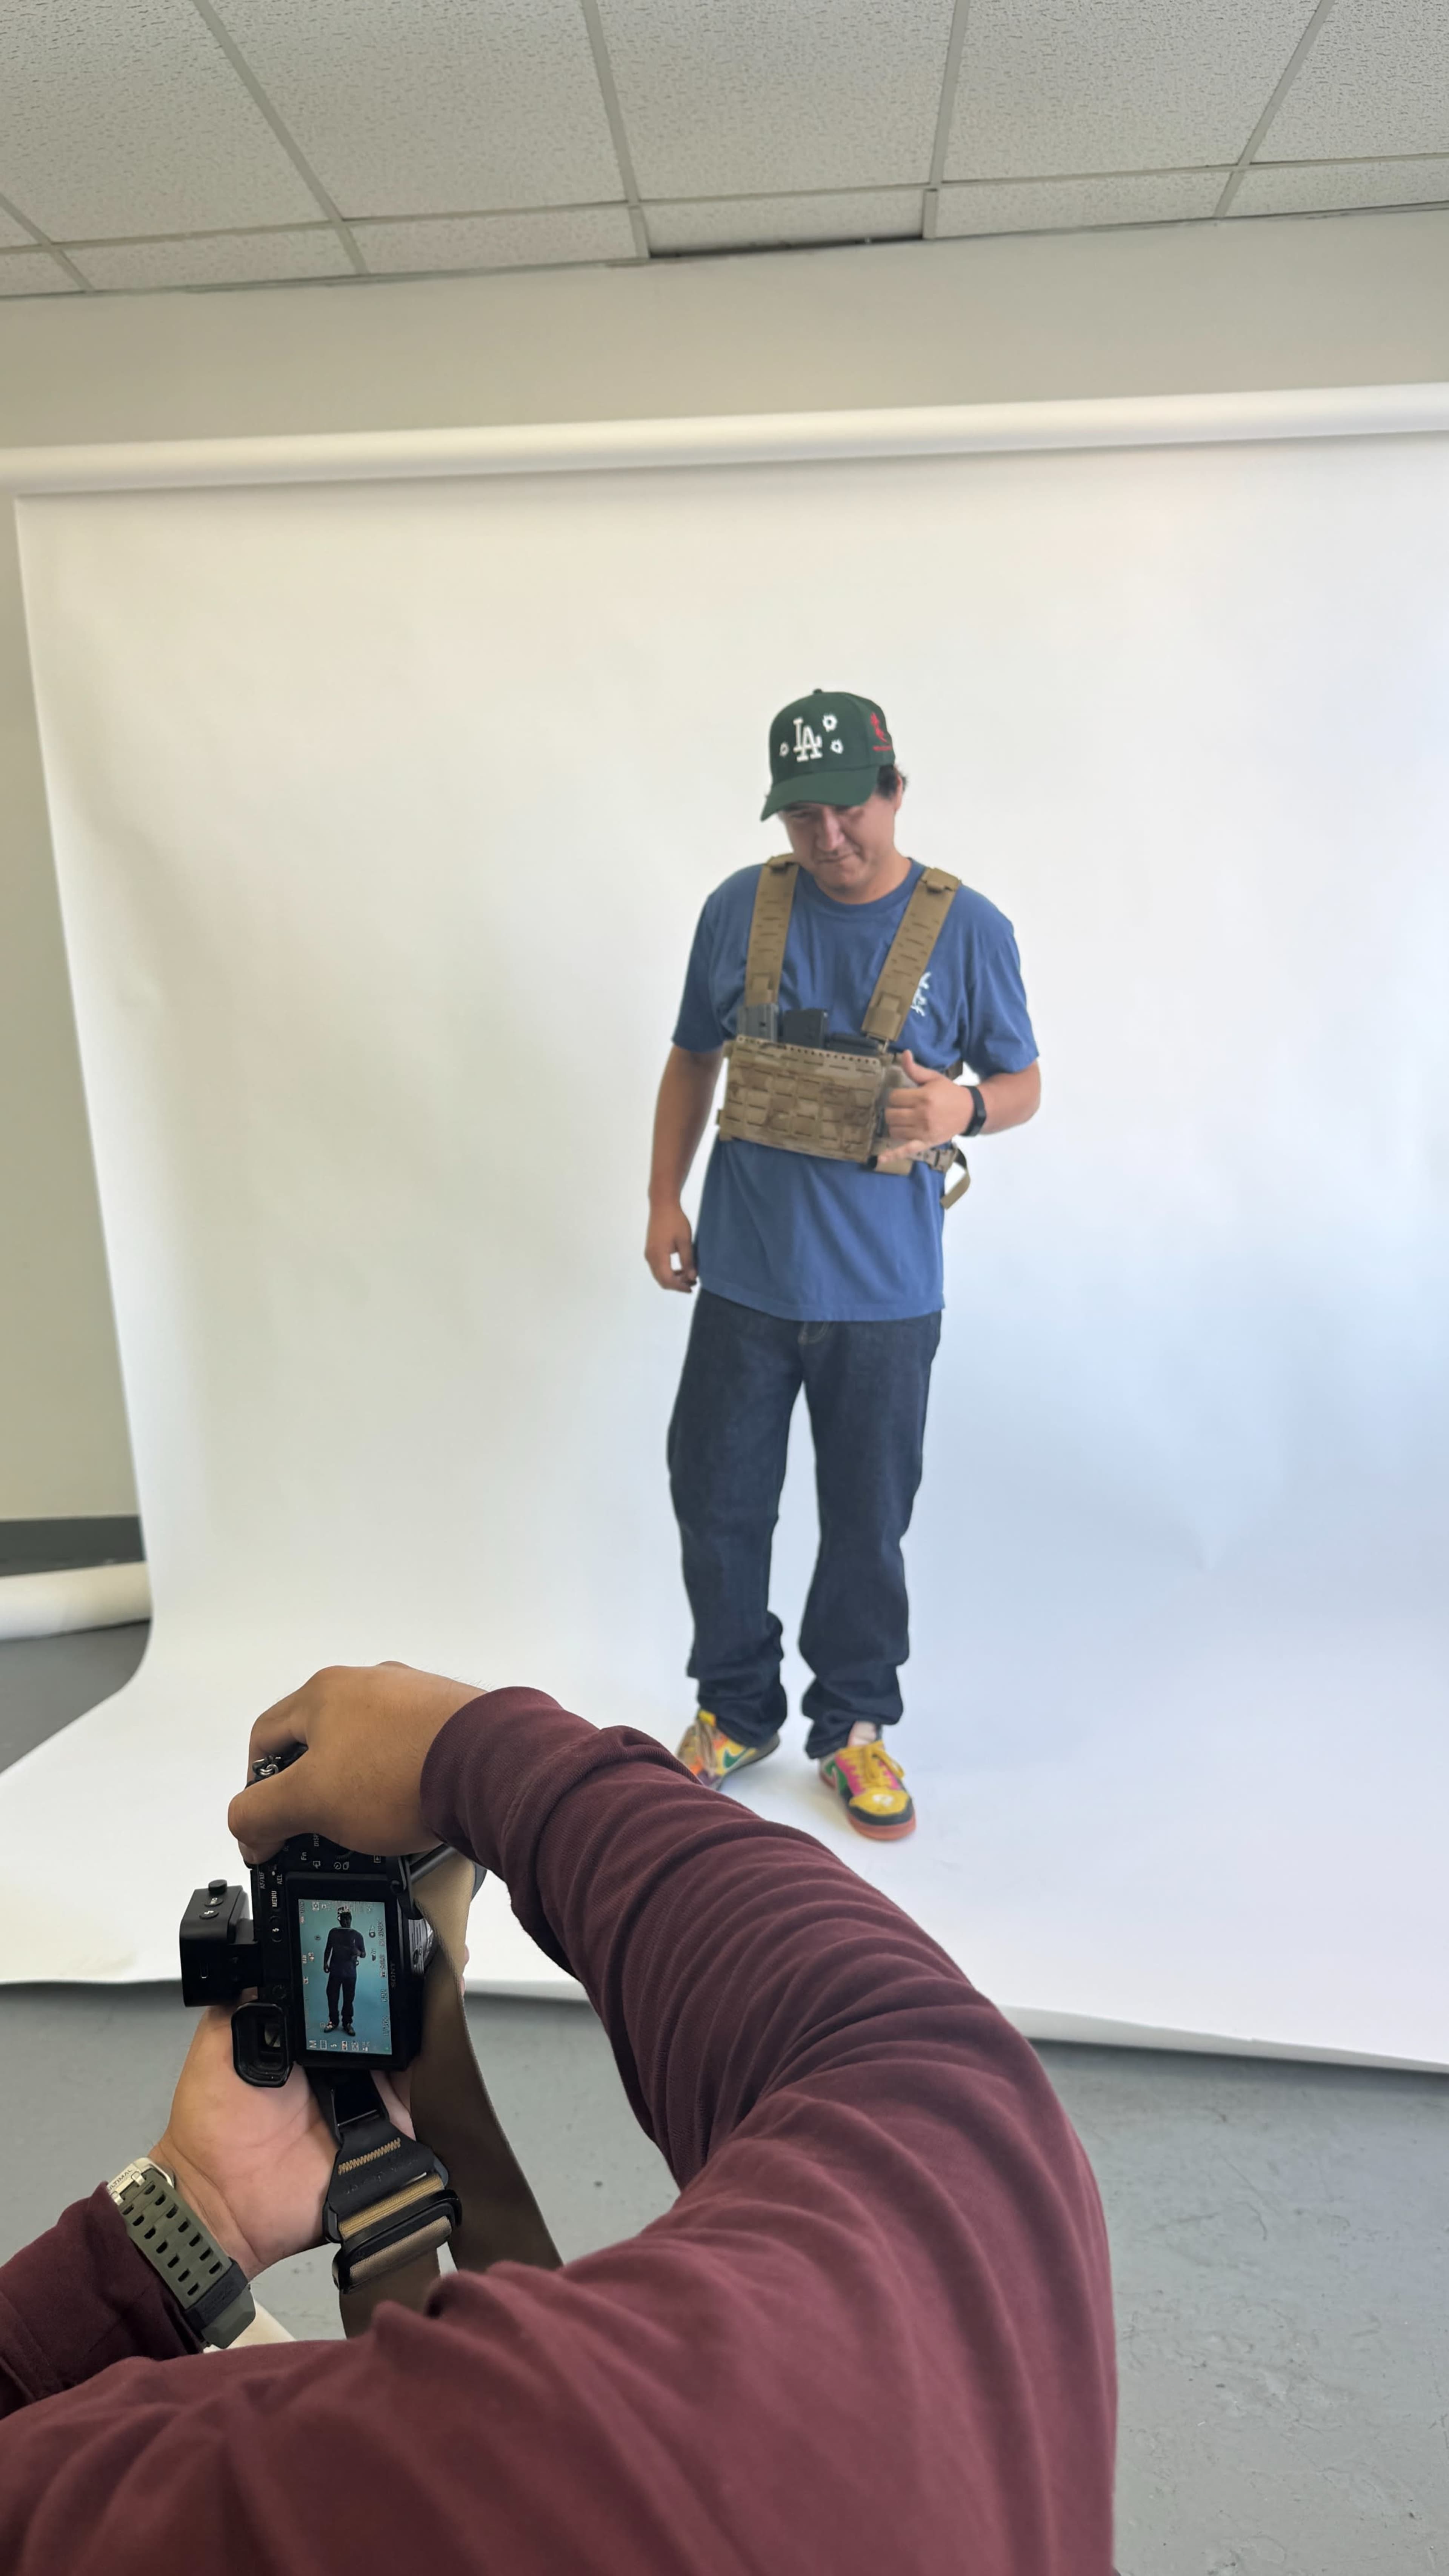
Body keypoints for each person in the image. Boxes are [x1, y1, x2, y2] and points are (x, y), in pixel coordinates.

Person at [0, 1661, 1115, 2575]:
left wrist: (184, 2216)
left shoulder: (128, 2500)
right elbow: (929, 2093)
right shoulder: (627, 2481)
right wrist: (497, 1761)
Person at [647, 690, 1040, 1838]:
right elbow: (689, 1058)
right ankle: (734, 1707)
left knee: (863, 1522)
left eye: (847, 810)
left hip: (881, 1298)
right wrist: (660, 1197)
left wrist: (963, 1102)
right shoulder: (738, 911)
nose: (828, 839)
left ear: (892, 791)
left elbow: (1023, 1084)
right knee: (713, 1499)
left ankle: (855, 1726)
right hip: (742, 1283)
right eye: (801, 816)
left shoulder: (966, 928)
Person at [322, 1907, 365, 2035]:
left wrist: (357, 1952)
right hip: (335, 1971)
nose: (345, 1922)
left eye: (348, 1919)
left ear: (351, 1920)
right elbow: (328, 1948)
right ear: (340, 1920)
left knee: (348, 1999)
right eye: (343, 1919)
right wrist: (325, 1962)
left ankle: (347, 2023)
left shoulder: (357, 1935)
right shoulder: (334, 1933)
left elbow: (364, 1954)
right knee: (332, 1997)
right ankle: (333, 2021)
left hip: (350, 1973)